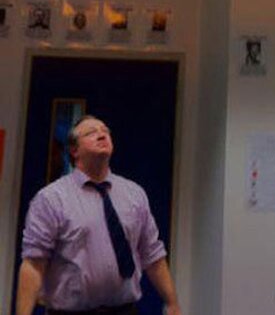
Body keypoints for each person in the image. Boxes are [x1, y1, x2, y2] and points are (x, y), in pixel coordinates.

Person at [16, 114, 182, 315]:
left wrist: (172, 302)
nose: (102, 135)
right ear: (74, 151)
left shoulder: (134, 194)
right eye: (91, 133)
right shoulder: (51, 199)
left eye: (105, 131)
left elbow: (152, 254)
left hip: (124, 311)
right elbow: (34, 263)